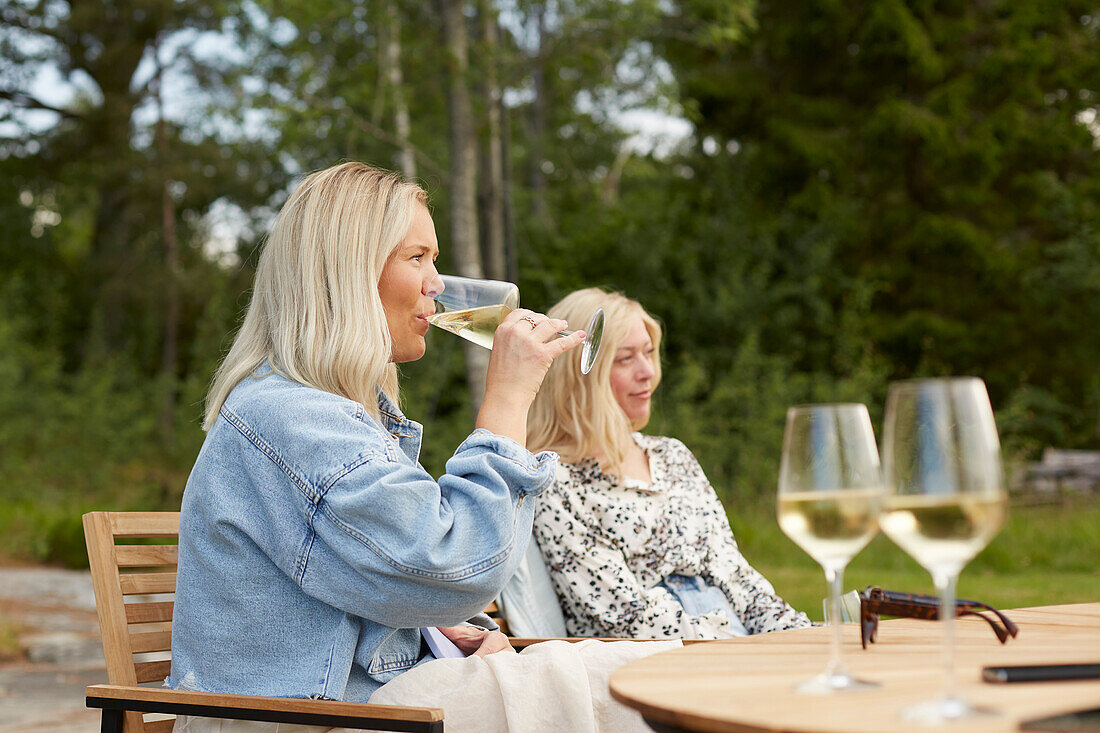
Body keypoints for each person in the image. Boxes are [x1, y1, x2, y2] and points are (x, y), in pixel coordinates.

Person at [168, 161, 588, 705]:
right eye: (417, 258)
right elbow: (459, 567)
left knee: (622, 676)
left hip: (371, 706)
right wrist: (508, 400)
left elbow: (367, 577)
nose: (436, 285)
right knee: (620, 690)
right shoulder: (291, 418)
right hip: (309, 722)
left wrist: (436, 633)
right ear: (347, 272)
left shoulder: (331, 414)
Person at [526, 289, 812, 639]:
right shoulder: (555, 480)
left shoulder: (672, 455)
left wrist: (799, 636)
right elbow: (623, 616)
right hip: (663, 659)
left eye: (648, 353)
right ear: (580, 374)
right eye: (625, 358)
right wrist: (740, 647)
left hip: (734, 640)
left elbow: (736, 574)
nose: (649, 372)